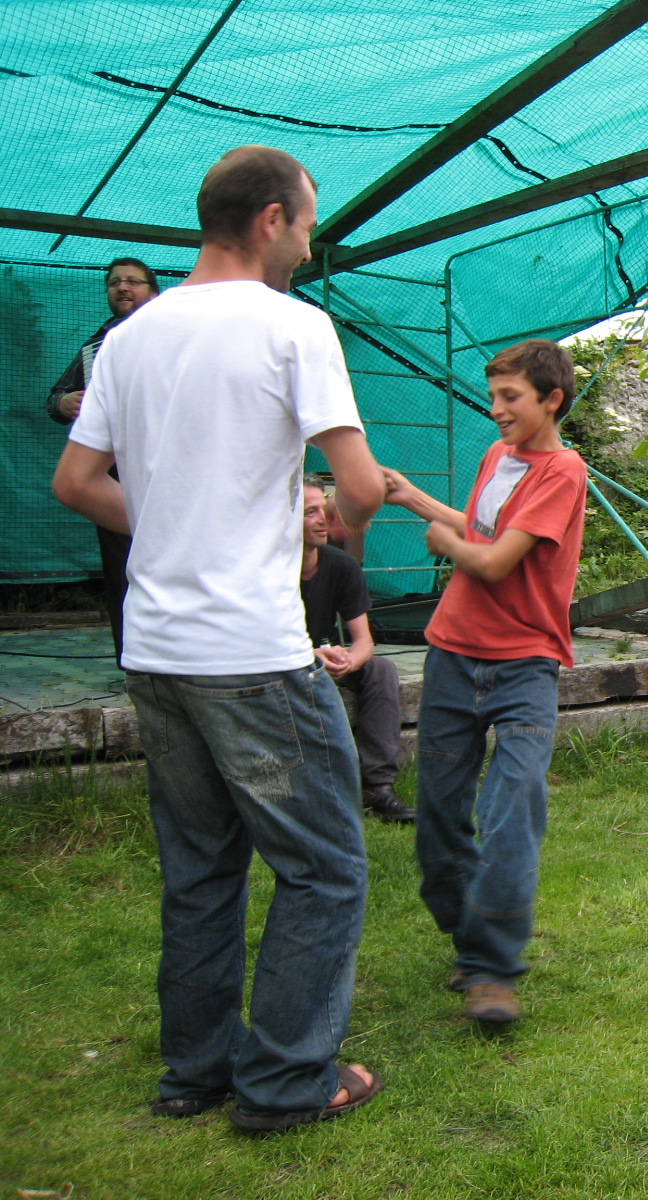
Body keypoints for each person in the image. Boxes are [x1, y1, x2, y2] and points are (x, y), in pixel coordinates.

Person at [54, 145, 386, 1132]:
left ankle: (196, 1071)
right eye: (309, 223)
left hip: (155, 652)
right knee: (325, 867)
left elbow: (75, 483)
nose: (311, 242)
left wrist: (171, 528)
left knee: (200, 868)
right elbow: (358, 486)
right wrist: (341, 529)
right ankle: (285, 1083)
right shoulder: (293, 325)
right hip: (251, 655)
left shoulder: (128, 338)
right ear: (272, 218)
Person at [380, 339, 587, 1027]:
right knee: (439, 816)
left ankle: (493, 969)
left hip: (525, 665)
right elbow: (478, 527)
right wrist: (413, 499)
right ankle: (468, 936)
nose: (495, 408)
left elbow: (493, 561)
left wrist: (448, 547)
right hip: (453, 654)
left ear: (551, 400)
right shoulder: (498, 456)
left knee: (511, 807)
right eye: (494, 395)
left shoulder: (563, 470)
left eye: (510, 397)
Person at [46, 257, 161, 663]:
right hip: (112, 474)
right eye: (115, 283)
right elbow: (55, 397)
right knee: (120, 566)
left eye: (133, 281)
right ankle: (132, 659)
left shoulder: (171, 331)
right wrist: (63, 401)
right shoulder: (97, 345)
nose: (123, 288)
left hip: (167, 466)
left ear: (153, 290)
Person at [301, 478, 414, 823]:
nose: (322, 519)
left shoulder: (340, 565)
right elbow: (257, 640)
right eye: (309, 512)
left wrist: (350, 660)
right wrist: (310, 655)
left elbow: (364, 640)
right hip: (279, 661)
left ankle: (377, 787)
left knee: (380, 669)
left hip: (320, 659)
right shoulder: (263, 568)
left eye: (323, 509)